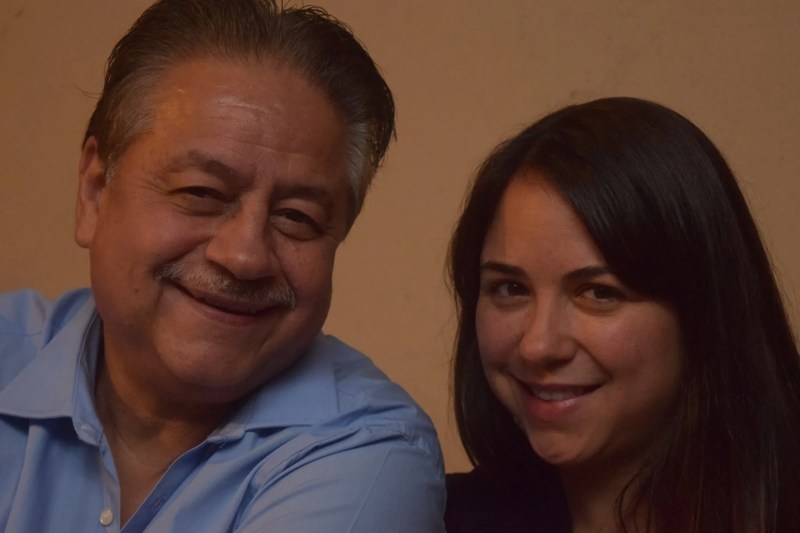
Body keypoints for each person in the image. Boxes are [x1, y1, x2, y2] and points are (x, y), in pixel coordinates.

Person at [0, 1, 445, 531]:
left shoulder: (368, 451)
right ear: (95, 193)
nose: (245, 256)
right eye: (201, 193)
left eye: (297, 217)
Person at [444, 97, 800, 532]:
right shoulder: (426, 517)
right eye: (511, 289)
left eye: (598, 293)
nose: (538, 345)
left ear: (704, 311)